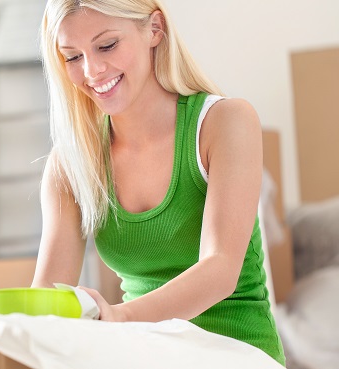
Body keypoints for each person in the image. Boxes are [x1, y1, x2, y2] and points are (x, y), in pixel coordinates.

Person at [30, 0, 285, 364]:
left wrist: (120, 317)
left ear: (154, 29)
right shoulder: (70, 166)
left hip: (236, 352)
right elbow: (48, 297)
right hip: (146, 356)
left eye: (107, 45)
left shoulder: (225, 123)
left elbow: (220, 270)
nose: (92, 70)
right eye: (72, 57)